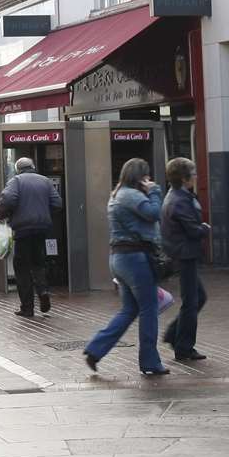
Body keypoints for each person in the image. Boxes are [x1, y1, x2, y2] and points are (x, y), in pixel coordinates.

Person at [84, 158, 168, 376]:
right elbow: (154, 213)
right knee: (149, 310)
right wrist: (155, 190)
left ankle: (96, 349)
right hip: (135, 258)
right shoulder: (131, 195)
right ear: (139, 176)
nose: (149, 180)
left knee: (129, 309)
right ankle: (150, 362)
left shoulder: (117, 195)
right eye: (146, 176)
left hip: (120, 258)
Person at [0, 157, 64, 318]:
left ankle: (27, 308)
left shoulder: (16, 181)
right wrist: (44, 214)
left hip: (22, 230)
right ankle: (43, 290)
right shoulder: (45, 181)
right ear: (32, 166)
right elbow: (57, 203)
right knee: (39, 263)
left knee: (22, 268)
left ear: (18, 169)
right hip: (41, 229)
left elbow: (8, 199)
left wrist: (1, 214)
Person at [159, 156, 210, 362]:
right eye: (193, 173)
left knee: (197, 297)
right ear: (184, 178)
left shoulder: (178, 196)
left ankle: (174, 335)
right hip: (184, 255)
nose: (196, 176)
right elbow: (192, 230)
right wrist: (204, 229)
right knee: (192, 301)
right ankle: (183, 346)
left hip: (183, 254)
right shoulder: (179, 200)